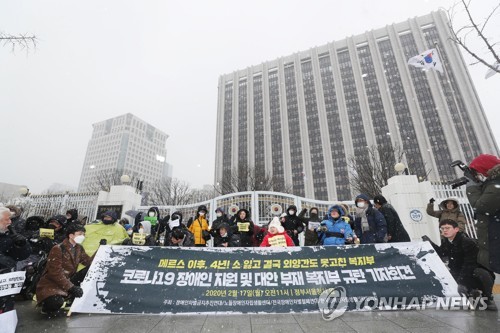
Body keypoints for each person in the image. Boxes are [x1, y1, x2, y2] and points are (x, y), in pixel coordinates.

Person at [423, 220, 497, 310]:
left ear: (456, 229)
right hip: (459, 270)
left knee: (480, 273)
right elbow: (442, 254)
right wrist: (431, 244)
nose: (444, 230)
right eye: (442, 229)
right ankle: (472, 292)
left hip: (474, 270)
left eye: (447, 228)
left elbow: (470, 264)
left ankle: (488, 298)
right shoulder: (447, 241)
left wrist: (462, 281)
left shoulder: (467, 242)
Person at [36, 224, 94, 317]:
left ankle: (69, 298)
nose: (83, 236)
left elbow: (89, 262)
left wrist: (101, 248)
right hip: (53, 283)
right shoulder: (58, 248)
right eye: (80, 234)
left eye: (84, 234)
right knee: (55, 303)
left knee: (89, 269)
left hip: (69, 279)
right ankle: (46, 306)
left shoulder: (79, 248)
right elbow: (55, 273)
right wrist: (71, 287)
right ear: (71, 235)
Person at [467, 153, 500, 274]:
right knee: (496, 287)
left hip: (495, 246)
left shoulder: (496, 185)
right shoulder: (492, 184)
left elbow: (481, 207)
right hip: (494, 245)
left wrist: (472, 187)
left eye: (476, 173)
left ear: (485, 171)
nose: (476, 176)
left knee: (498, 287)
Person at [0, 207, 31, 313]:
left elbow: (21, 256)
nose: (10, 222)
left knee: (6, 309)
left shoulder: (8, 234)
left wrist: (22, 245)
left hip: (5, 282)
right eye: (7, 219)